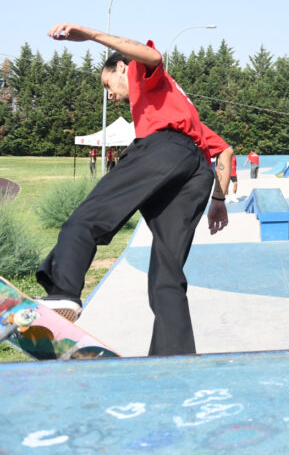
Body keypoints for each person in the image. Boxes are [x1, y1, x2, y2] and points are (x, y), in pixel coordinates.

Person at [36, 23, 233, 356]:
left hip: (163, 152)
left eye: (107, 84)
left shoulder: (141, 72)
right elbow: (224, 150)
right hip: (196, 173)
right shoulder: (180, 106)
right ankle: (173, 356)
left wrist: (92, 36)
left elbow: (152, 55)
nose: (109, 95)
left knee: (86, 219)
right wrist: (218, 199)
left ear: (122, 68)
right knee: (167, 274)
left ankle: (63, 293)